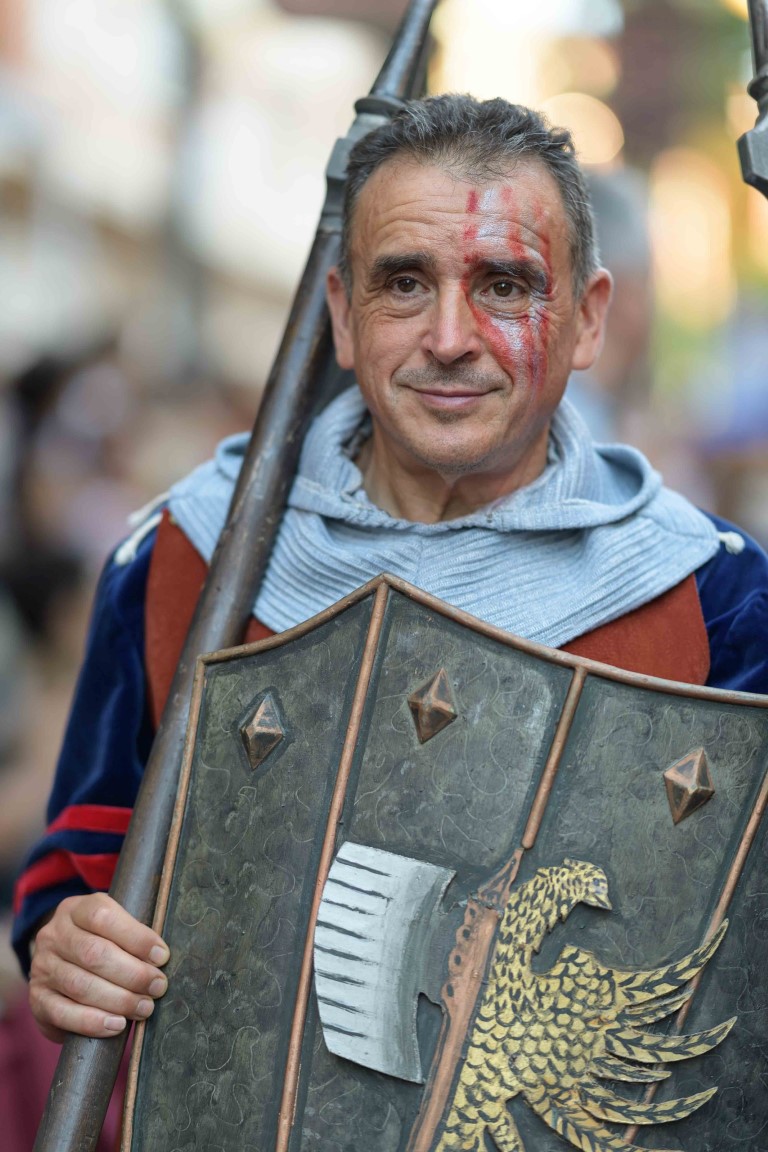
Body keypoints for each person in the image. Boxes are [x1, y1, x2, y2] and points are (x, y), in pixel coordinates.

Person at [13, 95, 768, 1047]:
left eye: (505, 285)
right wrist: (68, 944)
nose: (449, 338)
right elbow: (78, 874)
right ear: (342, 312)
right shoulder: (187, 559)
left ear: (587, 321)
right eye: (404, 283)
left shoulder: (717, 602)